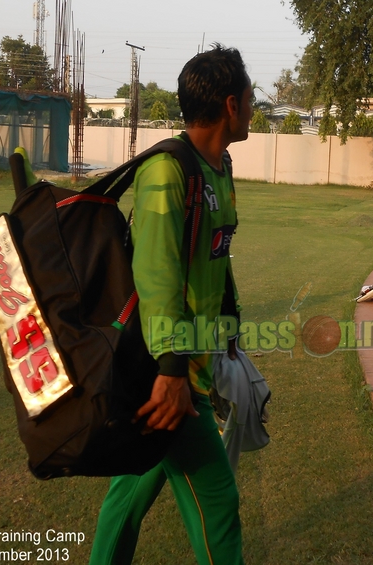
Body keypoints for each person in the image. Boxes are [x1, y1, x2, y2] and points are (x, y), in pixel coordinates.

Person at [89, 45, 251, 565]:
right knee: (218, 499)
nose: (254, 107)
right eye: (250, 98)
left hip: (193, 363)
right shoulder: (167, 171)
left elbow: (215, 257)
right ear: (230, 104)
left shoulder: (219, 167)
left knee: (132, 487)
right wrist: (172, 371)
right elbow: (157, 275)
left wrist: (229, 329)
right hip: (164, 368)